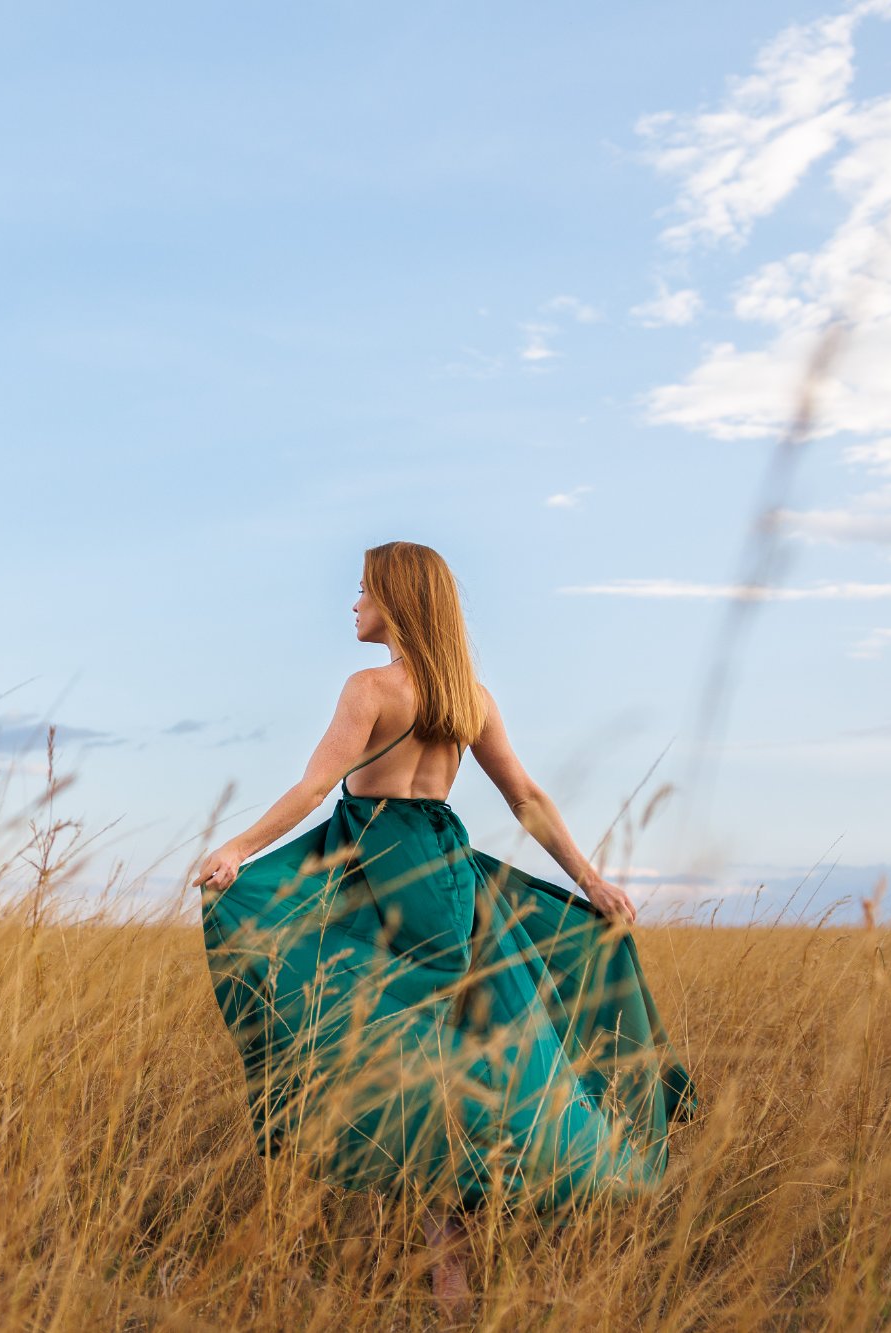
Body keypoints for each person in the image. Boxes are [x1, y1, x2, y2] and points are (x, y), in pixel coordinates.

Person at [192, 540, 697, 1317]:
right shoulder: (471, 697)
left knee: (390, 1049)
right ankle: (452, 1278)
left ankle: (444, 1272)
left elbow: (316, 786)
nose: (354, 603)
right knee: (454, 1062)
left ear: (395, 598)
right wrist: (589, 879)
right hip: (449, 874)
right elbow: (525, 796)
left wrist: (237, 847)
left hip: (382, 879)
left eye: (363, 589)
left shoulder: (369, 689)